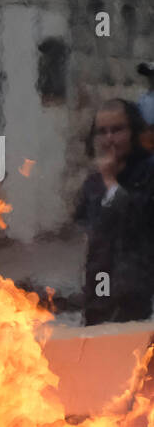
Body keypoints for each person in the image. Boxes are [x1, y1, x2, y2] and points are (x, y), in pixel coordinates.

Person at [72, 99, 154, 324]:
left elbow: (137, 220)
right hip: (101, 288)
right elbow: (85, 226)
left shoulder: (148, 173)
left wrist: (111, 182)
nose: (109, 139)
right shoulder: (94, 182)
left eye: (117, 130)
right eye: (102, 132)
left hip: (138, 294)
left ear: (133, 131)